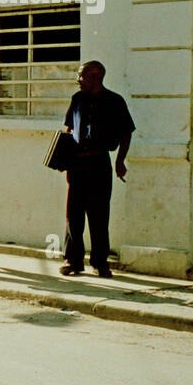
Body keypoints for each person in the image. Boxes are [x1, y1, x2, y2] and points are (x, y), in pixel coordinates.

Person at [60, 60, 135, 278]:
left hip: (99, 163)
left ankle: (100, 262)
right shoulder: (77, 99)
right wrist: (62, 155)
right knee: (73, 215)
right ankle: (73, 261)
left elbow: (126, 133)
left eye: (81, 75)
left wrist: (120, 161)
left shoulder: (114, 101)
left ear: (95, 78)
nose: (78, 79)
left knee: (99, 215)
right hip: (76, 164)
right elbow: (69, 128)